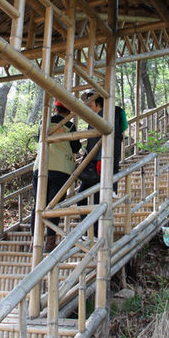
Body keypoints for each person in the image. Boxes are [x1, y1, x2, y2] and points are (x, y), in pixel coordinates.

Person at [31, 99, 81, 252]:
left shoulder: (44, 123)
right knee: (54, 205)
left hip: (41, 167)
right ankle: (49, 242)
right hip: (61, 169)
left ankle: (34, 241)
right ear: (68, 112)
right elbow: (76, 146)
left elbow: (36, 139)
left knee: (38, 204)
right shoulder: (70, 126)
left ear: (55, 109)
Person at [78, 92, 127, 237]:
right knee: (82, 199)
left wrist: (103, 162)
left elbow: (115, 141)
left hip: (101, 164)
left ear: (98, 102)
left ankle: (95, 234)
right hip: (91, 163)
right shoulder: (92, 118)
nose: (88, 105)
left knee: (97, 201)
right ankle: (89, 232)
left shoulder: (109, 116)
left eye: (90, 103)